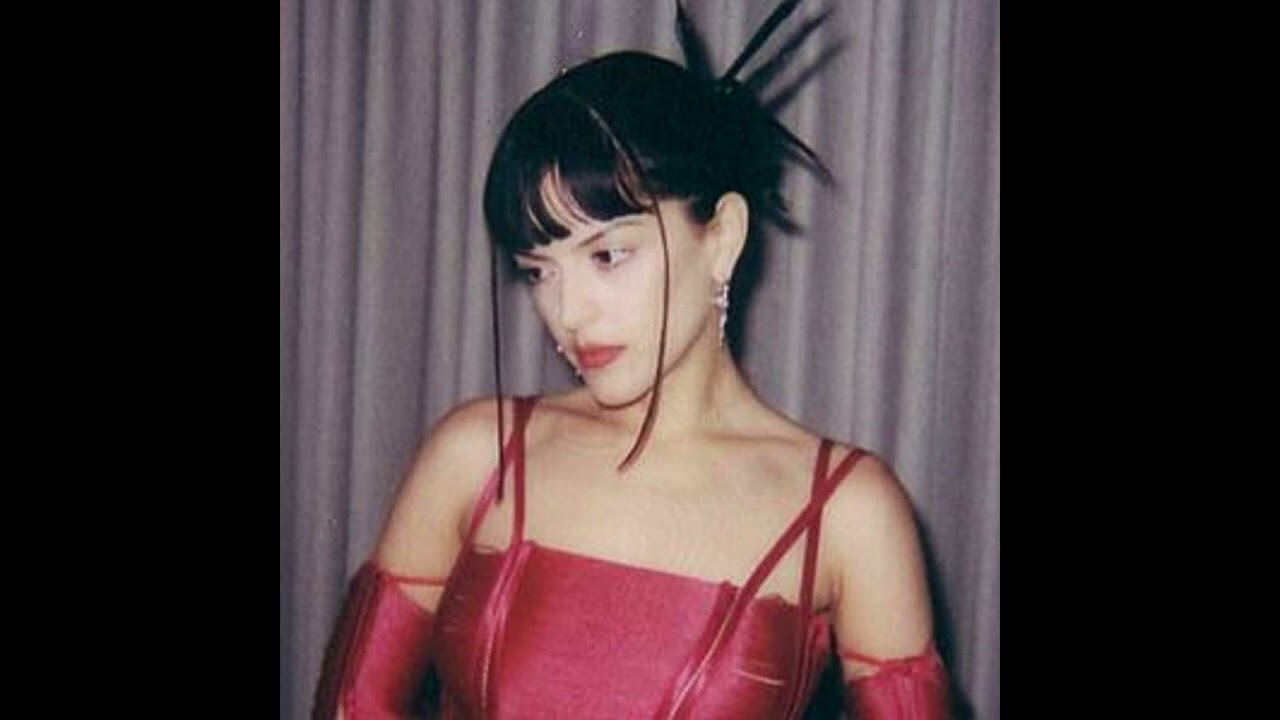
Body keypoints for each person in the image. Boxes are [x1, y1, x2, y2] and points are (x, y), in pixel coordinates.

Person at [313, 2, 949, 718]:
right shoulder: (475, 455)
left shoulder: (847, 512)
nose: (567, 312)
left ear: (723, 237)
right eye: (538, 270)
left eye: (608, 255)